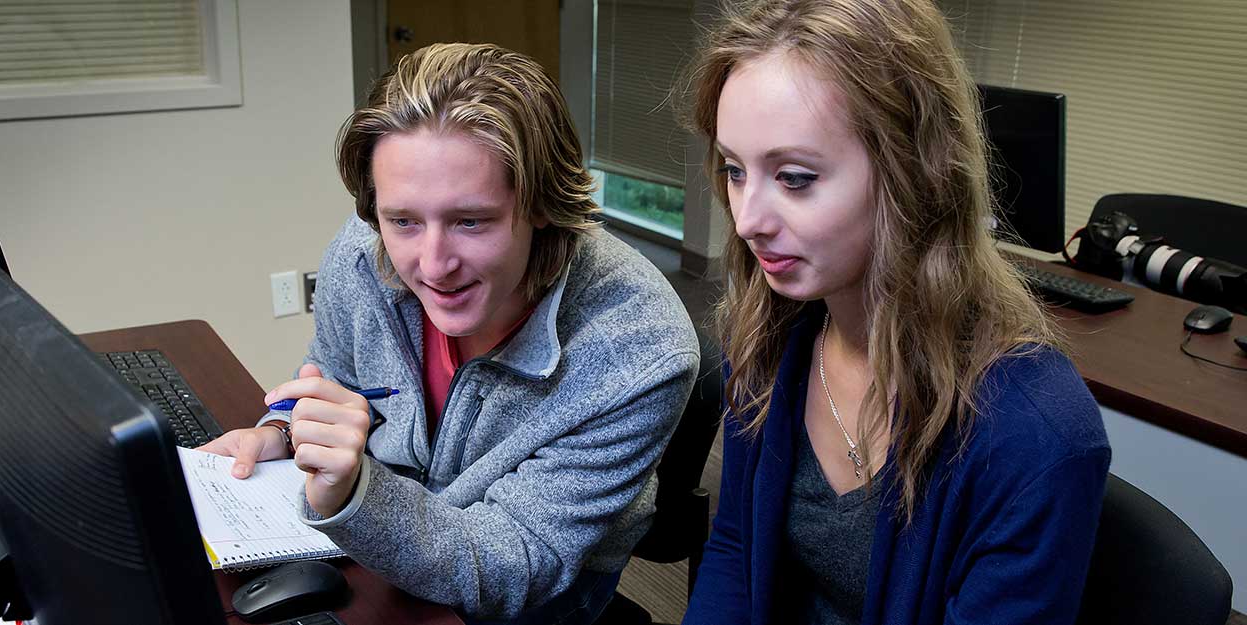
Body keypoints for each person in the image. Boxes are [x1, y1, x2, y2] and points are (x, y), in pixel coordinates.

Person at [200, 42, 700, 625]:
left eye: (471, 221)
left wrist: (356, 494)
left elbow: (517, 562)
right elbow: (334, 371)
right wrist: (284, 432)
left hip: (534, 588)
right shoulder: (363, 251)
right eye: (403, 220)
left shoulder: (638, 347)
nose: (433, 265)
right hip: (383, 525)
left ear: (540, 204)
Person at [680, 1, 1110, 624]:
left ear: (914, 172)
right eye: (734, 171)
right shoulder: (768, 337)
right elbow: (737, 550)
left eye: (795, 177)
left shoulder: (1036, 434)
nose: (746, 220)